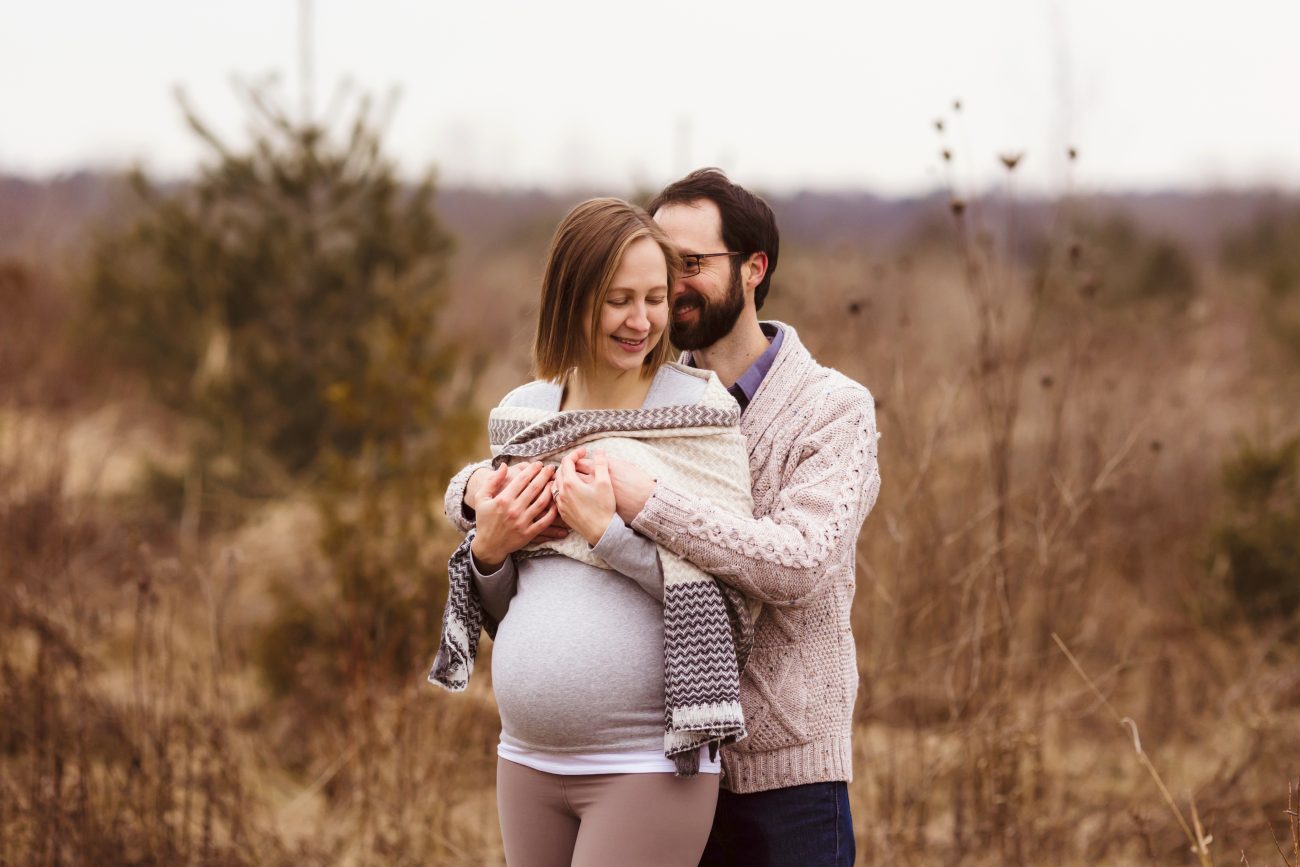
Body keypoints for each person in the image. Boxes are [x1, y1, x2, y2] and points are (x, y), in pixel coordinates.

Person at [446, 170, 881, 867]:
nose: (669, 288)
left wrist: (644, 503)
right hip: (656, 749)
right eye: (655, 265)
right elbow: (518, 469)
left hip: (781, 768)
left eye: (691, 265)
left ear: (753, 269)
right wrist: (473, 500)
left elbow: (799, 563)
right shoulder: (644, 394)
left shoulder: (833, 408)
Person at [429, 197, 756, 867]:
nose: (641, 321)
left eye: (656, 298)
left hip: (645, 763)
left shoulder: (696, 411)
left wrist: (609, 533)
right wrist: (489, 551)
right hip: (526, 757)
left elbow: (729, 593)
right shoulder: (525, 414)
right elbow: (502, 605)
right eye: (619, 300)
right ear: (573, 299)